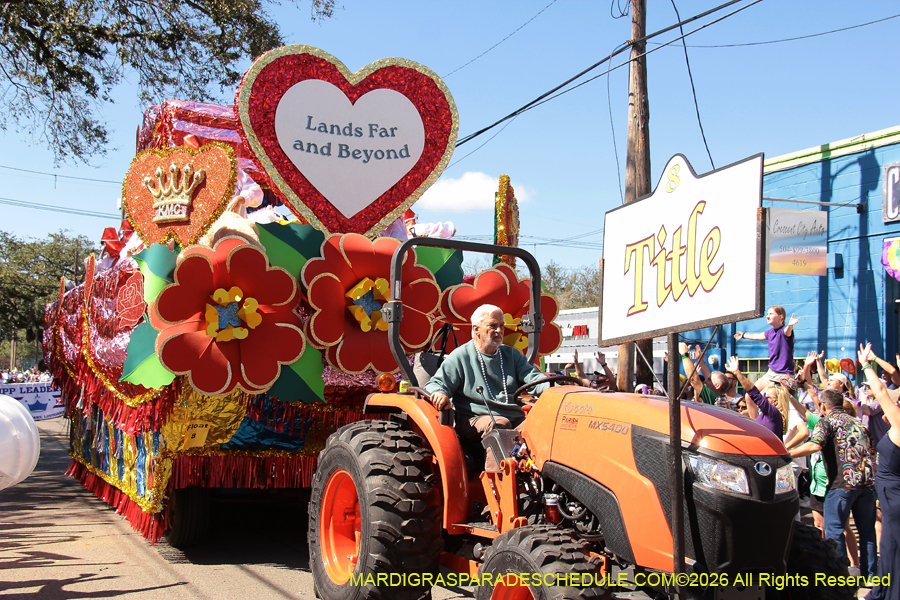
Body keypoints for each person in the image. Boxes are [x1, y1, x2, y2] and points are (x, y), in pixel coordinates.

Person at [425, 304, 552, 469]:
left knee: (543, 423)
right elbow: (435, 384)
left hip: (514, 418)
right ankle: (497, 483)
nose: (499, 330)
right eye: (493, 326)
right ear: (476, 329)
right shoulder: (460, 356)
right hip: (474, 419)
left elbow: (534, 379)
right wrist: (439, 393)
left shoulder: (512, 355)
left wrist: (554, 387)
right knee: (499, 424)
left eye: (502, 326)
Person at [790, 384, 878, 579]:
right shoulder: (859, 423)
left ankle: (838, 576)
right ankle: (871, 576)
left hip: (842, 484)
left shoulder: (827, 422)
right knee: (867, 533)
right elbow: (871, 452)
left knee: (834, 529)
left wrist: (787, 454)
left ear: (823, 406)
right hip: (866, 484)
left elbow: (814, 445)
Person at [858, 343, 900, 600]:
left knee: (893, 545)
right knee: (890, 545)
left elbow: (881, 390)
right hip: (891, 493)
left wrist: (866, 364)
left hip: (893, 493)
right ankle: (881, 592)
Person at [734, 305, 799, 390]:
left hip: (784, 375)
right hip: (771, 372)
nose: (767, 316)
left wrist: (790, 325)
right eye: (767, 314)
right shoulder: (770, 332)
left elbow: (787, 331)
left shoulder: (784, 331)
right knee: (750, 396)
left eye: (771, 314)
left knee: (782, 400)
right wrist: (743, 335)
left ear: (781, 317)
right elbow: (757, 336)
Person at [724, 356, 787, 438]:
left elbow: (754, 394)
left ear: (775, 401)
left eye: (765, 396)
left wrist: (737, 373)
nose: (763, 398)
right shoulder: (764, 415)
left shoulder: (773, 413)